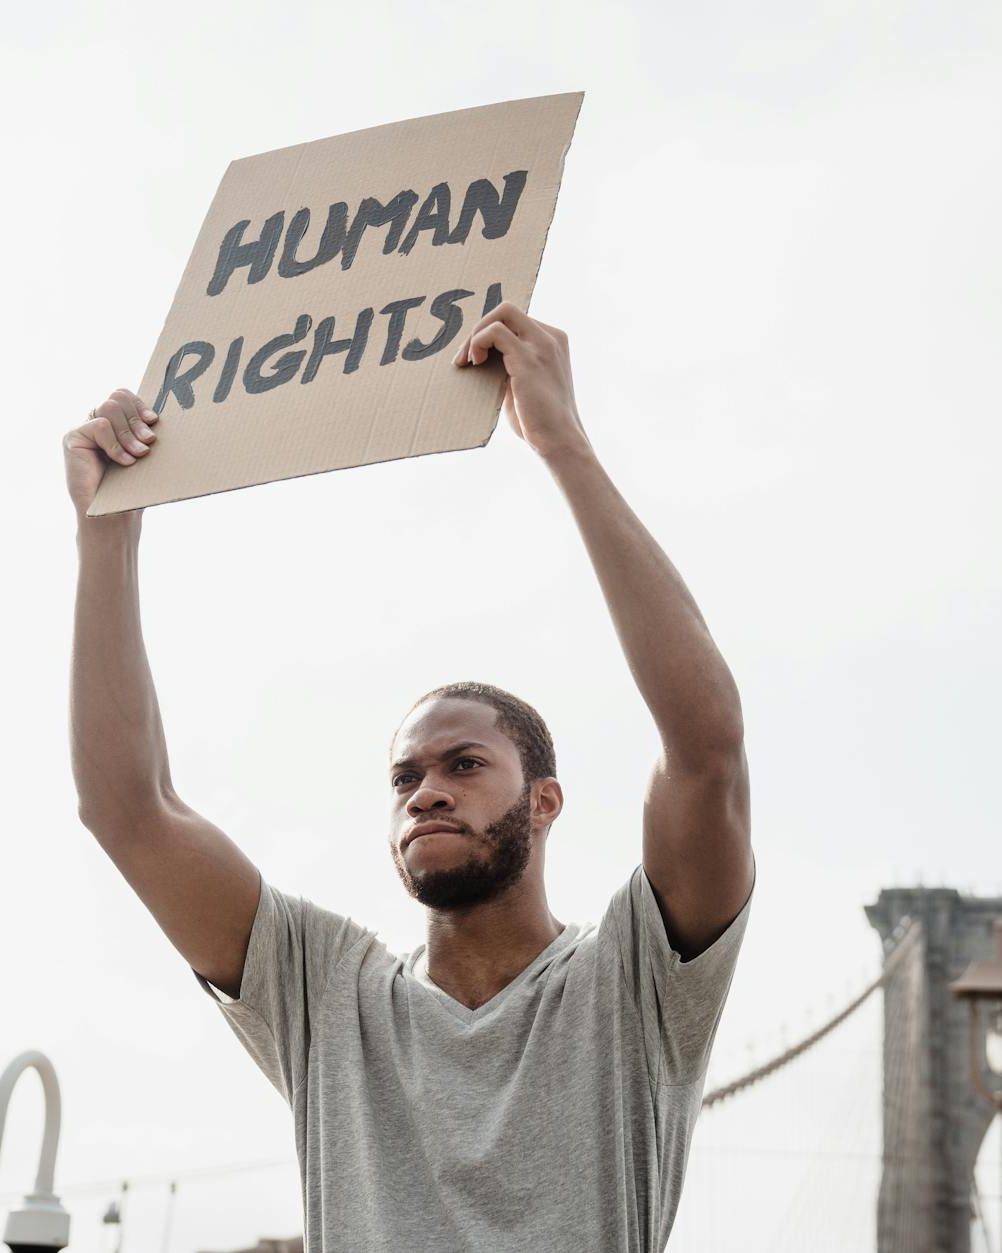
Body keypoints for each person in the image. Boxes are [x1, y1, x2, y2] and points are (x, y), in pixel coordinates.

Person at [64, 304, 754, 1252]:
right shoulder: (325, 992)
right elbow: (128, 811)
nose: (426, 790)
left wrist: (563, 444)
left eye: (466, 764)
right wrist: (108, 530)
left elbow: (707, 748)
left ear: (545, 800)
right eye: (406, 776)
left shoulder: (634, 982)